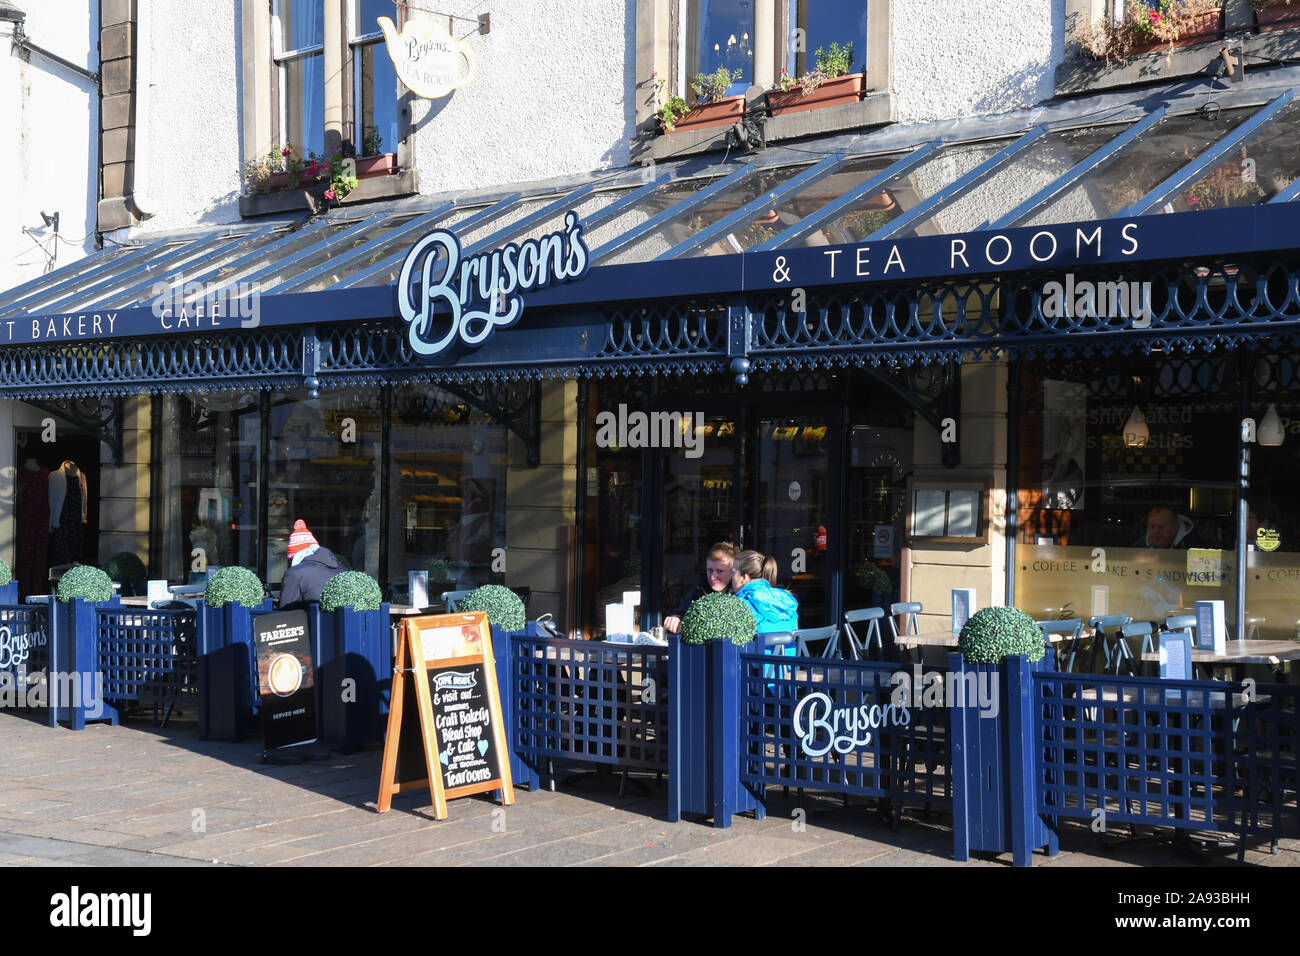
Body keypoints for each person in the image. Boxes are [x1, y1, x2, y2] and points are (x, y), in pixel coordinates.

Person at [664, 541, 736, 634]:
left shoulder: (741, 594)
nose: (713, 577)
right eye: (710, 570)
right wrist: (676, 618)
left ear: (732, 572)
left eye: (720, 571)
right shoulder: (699, 589)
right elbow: (682, 610)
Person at [731, 549, 799, 634]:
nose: (731, 576)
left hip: (758, 647)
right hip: (790, 647)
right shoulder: (785, 600)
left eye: (733, 572)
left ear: (744, 578)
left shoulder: (740, 605)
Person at [279, 519, 344, 607]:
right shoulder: (342, 568)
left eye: (291, 559)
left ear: (295, 556)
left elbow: (286, 612)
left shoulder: (294, 574)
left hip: (311, 620)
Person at [1137, 505, 1203, 549]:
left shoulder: (1193, 548)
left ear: (1175, 528)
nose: (1156, 531)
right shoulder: (1138, 547)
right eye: (1152, 526)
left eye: (1161, 527)